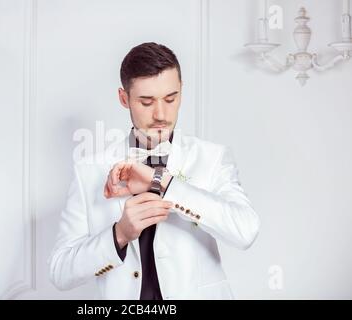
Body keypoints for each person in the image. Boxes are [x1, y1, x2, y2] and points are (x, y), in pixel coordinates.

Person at [48, 42, 260, 299]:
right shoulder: (89, 171)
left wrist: (164, 182)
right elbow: (60, 271)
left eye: (171, 99)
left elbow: (245, 231)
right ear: (124, 99)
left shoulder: (212, 157)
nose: (161, 114)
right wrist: (119, 234)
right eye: (146, 102)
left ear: (181, 91)